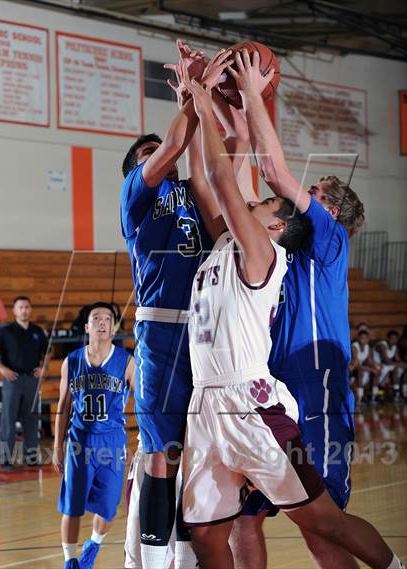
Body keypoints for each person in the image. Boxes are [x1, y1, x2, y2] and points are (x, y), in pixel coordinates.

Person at [179, 64, 403, 569]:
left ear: (329, 210)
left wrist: (252, 94)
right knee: (242, 520)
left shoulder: (328, 240)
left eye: (315, 191)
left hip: (315, 395)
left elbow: (271, 174)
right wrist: (229, 105)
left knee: (322, 531)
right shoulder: (264, 246)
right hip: (261, 395)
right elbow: (240, 178)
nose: (302, 191)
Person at [120, 39, 225, 569]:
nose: (158, 155)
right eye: (147, 155)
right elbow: (173, 147)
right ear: (135, 173)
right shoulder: (136, 198)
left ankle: (183, 554)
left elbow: (207, 164)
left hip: (205, 332)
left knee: (195, 451)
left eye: (158, 151)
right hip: (161, 330)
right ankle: (151, 559)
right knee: (160, 454)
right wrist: (193, 91)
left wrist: (211, 103)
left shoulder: (192, 193)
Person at [53, 302, 135, 569]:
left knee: (108, 507)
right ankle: (70, 560)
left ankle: (93, 545)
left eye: (108, 318)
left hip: (112, 442)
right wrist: (56, 447)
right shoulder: (72, 361)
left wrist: (138, 442)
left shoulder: (127, 361)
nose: (103, 322)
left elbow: (145, 406)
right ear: (87, 327)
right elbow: (63, 407)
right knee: (72, 506)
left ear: (114, 326)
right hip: (79, 442)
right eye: (96, 318)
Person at [0, 296, 49, 468]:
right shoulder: (6, 331)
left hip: (31, 380)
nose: (24, 310)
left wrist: (44, 367)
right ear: (14, 311)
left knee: (30, 419)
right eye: (20, 307)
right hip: (12, 380)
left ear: (31, 309)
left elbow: (48, 351)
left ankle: (31, 457)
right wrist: (1, 368)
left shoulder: (37, 331)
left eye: (27, 307)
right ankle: (6, 458)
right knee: (8, 420)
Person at [373, 330, 407, 402]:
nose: (393, 340)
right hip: (376, 364)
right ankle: (375, 395)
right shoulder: (382, 345)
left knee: (397, 370)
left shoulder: (395, 347)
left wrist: (403, 364)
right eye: (392, 338)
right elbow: (386, 360)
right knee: (383, 372)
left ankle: (398, 394)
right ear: (388, 338)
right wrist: (401, 364)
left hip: (385, 365)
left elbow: (398, 360)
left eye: (395, 338)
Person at [350, 329, 381, 405]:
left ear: (368, 339)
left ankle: (374, 396)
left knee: (376, 371)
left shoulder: (368, 347)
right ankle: (360, 398)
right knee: (361, 372)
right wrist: (371, 369)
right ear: (358, 338)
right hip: (352, 368)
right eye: (362, 338)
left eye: (366, 338)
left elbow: (370, 361)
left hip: (362, 367)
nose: (364, 340)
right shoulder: (354, 347)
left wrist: (376, 367)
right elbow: (356, 364)